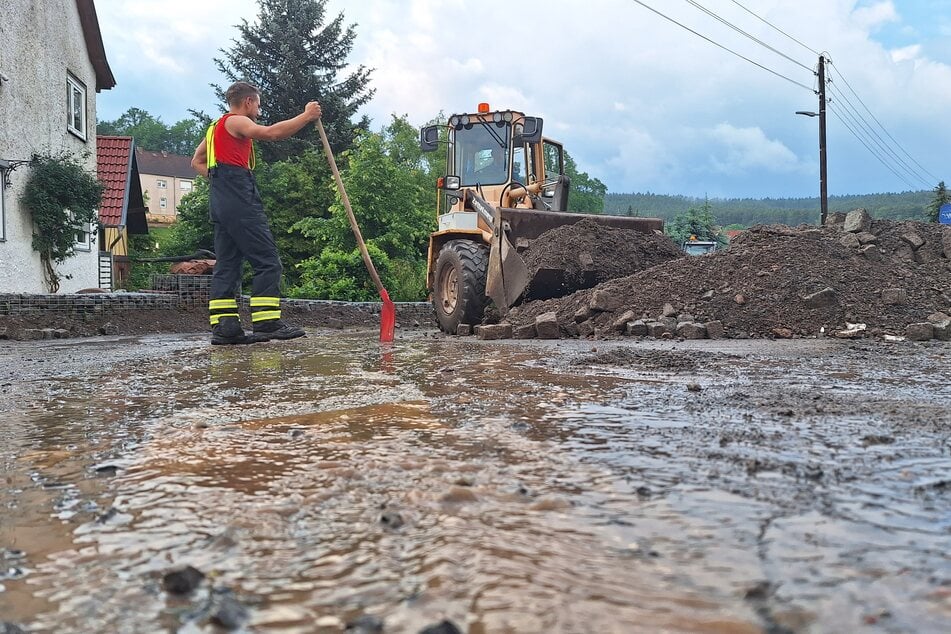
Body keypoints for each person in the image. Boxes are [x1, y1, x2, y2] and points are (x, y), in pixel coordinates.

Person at [191, 82, 321, 345]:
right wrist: (306, 116)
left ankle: (225, 329)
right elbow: (271, 133)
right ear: (248, 101)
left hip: (221, 201)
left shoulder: (214, 129)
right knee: (267, 260)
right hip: (240, 200)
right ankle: (266, 323)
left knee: (227, 265)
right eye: (258, 104)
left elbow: (196, 161)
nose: (259, 110)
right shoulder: (237, 121)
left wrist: (219, 182)